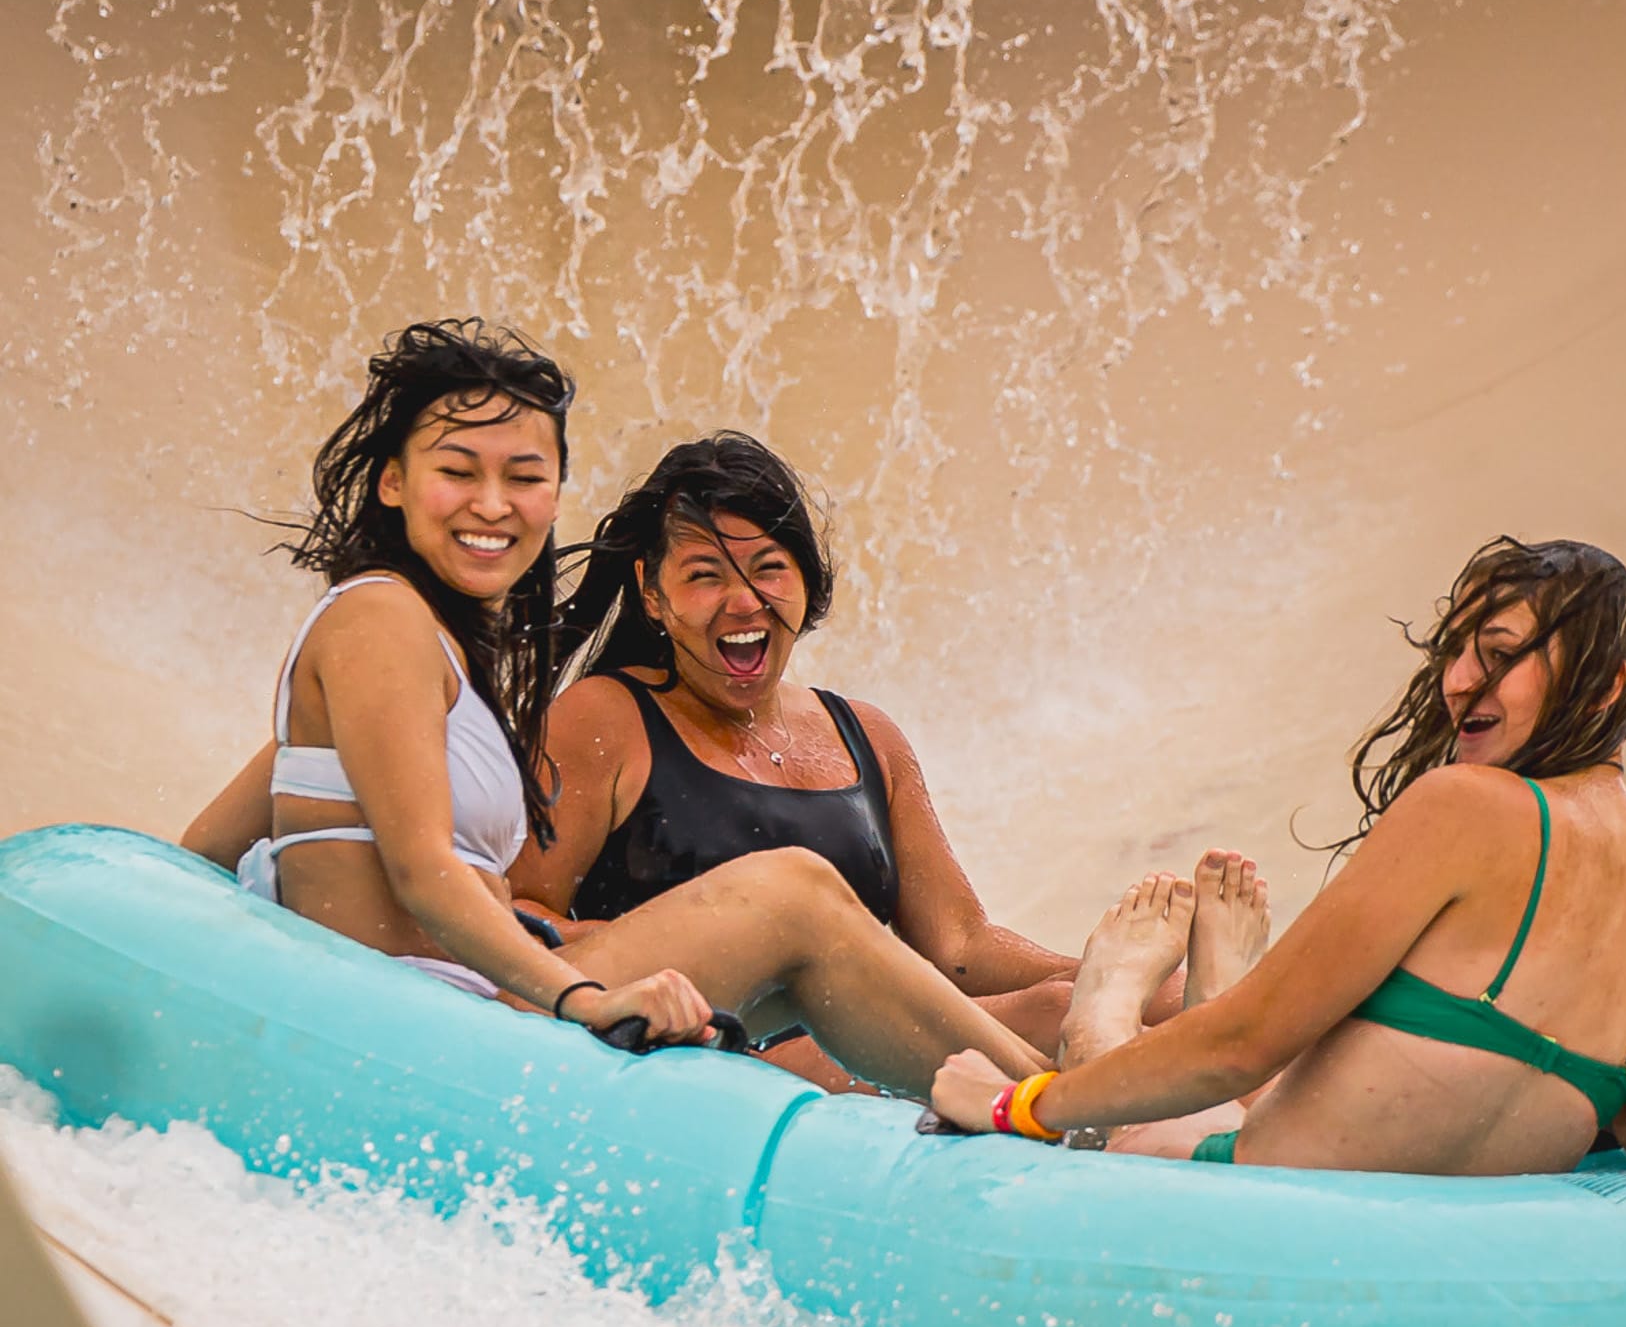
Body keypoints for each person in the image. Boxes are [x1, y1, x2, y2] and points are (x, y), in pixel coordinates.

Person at [182, 320, 1047, 1097]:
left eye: (525, 476)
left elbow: (211, 848)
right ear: (393, 483)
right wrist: (585, 995)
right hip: (432, 1032)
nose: (494, 504)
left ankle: (1057, 1098)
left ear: (556, 494)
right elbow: (424, 873)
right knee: (796, 890)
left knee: (856, 965)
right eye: (458, 472)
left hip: (466, 1007)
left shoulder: (434, 646)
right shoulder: (382, 619)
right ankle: (1051, 1110)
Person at [929, 537, 1626, 1214]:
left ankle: (1108, 1000)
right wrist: (1618, 1094)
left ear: (1606, 684)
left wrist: (1018, 1107)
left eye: (1497, 654)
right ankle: (1215, 983)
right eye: (1455, 651)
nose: (1458, 682)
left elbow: (1239, 1049)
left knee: (1146, 1111)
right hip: (1425, 1244)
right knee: (1262, 1065)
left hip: (1243, 1196)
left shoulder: (1466, 809)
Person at [509, 433, 1086, 1088]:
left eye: (769, 568)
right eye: (704, 575)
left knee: (1070, 1003)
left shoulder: (867, 736)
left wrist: (1100, 971)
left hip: (852, 1048)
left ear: (807, 580)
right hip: (707, 1057)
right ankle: (1060, 1109)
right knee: (1050, 1020)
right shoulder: (606, 719)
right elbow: (520, 914)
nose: (744, 601)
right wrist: (685, 950)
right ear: (651, 592)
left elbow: (961, 948)